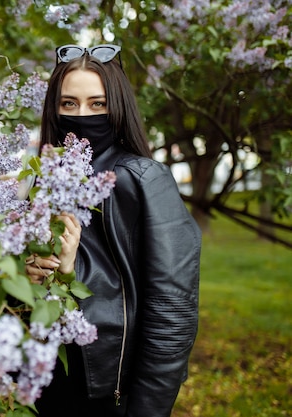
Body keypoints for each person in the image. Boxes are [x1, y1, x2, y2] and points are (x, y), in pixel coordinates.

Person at [25, 44, 201, 417]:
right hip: (46, 384)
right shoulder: (43, 179)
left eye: (97, 104)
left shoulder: (144, 180)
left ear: (117, 106)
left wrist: (148, 408)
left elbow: (172, 312)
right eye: (69, 104)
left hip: (112, 393)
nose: (82, 115)